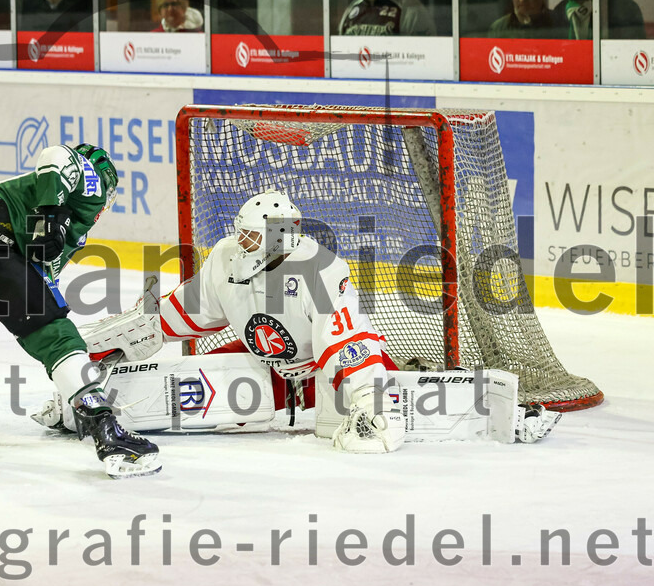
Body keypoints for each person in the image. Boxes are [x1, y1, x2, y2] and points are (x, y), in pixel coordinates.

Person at [76, 190, 561, 449]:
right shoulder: (226, 257)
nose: (239, 242)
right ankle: (94, 403)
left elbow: (344, 347)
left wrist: (367, 400)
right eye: (241, 234)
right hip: (268, 367)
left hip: (322, 373)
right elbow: (185, 312)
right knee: (191, 378)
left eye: (250, 237)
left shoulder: (321, 269)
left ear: (277, 240)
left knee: (367, 398)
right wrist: (117, 341)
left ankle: (501, 414)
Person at [0, 144, 162, 479]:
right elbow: (56, 156)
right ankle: (107, 432)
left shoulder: (33, 201)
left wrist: (47, 302)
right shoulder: (85, 194)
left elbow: (40, 274)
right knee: (56, 336)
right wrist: (50, 215)